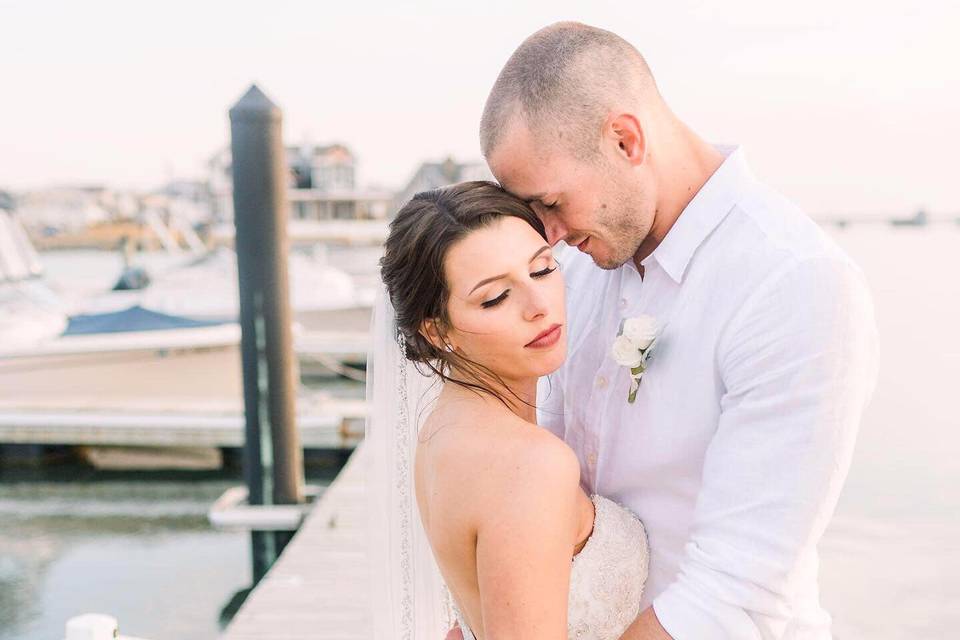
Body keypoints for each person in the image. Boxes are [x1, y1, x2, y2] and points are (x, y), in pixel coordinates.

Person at [468, 21, 880, 639]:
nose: (546, 233)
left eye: (552, 202)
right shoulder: (571, 267)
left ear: (625, 140)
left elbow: (739, 590)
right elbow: (528, 470)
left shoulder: (793, 284)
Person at [372, 180, 649, 640]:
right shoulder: (528, 463)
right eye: (495, 298)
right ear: (437, 331)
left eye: (542, 270)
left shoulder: (440, 432)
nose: (539, 307)